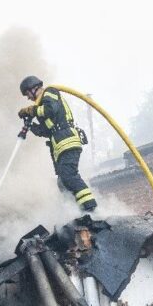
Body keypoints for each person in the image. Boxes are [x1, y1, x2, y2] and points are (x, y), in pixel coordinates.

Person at [17, 75, 97, 212]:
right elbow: (46, 131)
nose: (28, 98)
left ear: (34, 88)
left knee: (69, 176)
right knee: (62, 182)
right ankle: (76, 212)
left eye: (28, 94)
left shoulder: (50, 92)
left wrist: (31, 110)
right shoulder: (41, 105)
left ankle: (91, 209)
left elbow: (50, 110)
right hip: (59, 146)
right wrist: (30, 126)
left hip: (68, 141)